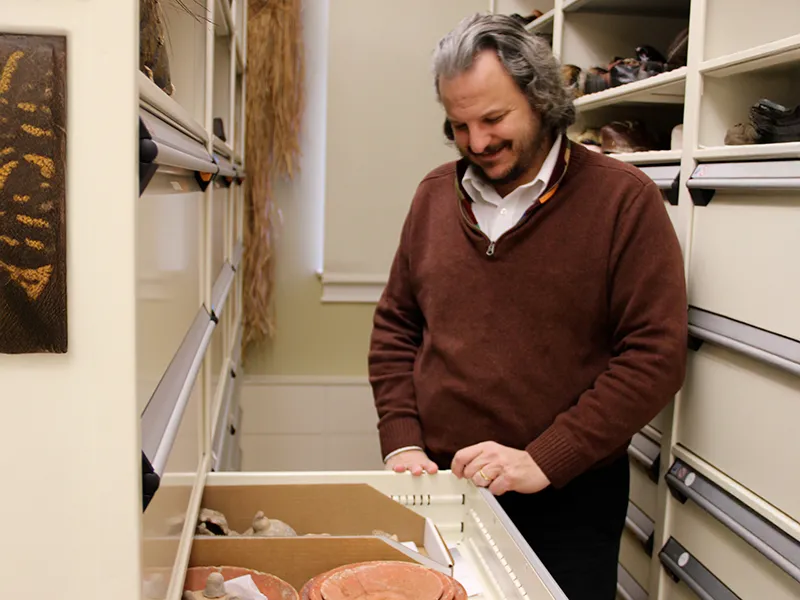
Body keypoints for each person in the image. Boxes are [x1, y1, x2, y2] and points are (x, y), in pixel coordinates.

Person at [367, 12, 688, 600]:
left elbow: (655, 355)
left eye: (493, 119)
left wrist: (543, 459)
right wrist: (403, 437)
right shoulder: (435, 194)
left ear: (542, 101)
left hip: (568, 499)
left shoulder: (624, 201)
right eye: (459, 126)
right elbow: (396, 325)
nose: (478, 142)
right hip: (441, 484)